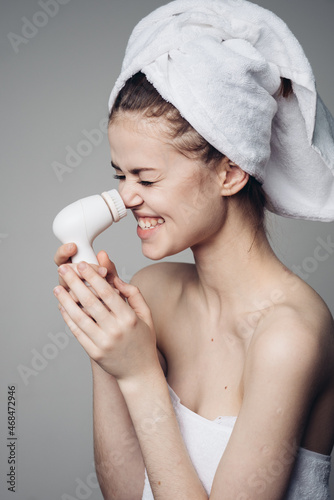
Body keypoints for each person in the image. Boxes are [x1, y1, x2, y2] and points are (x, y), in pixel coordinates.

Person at [53, 1, 334, 498]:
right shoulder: (152, 294)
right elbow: (125, 492)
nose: (126, 196)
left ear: (229, 172)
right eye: (120, 175)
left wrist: (141, 377)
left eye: (147, 177)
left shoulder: (291, 334)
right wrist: (105, 348)